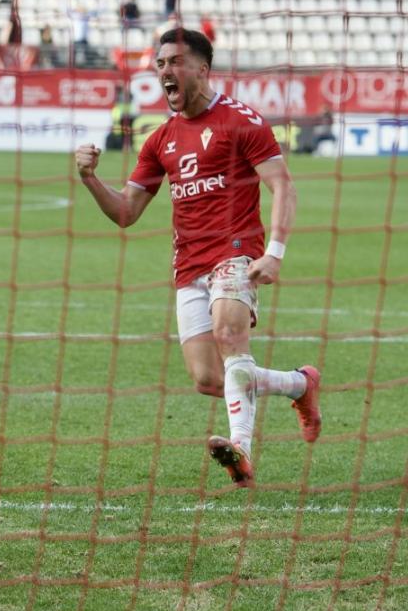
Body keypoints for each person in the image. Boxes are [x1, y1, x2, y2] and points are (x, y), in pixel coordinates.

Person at [73, 29, 321, 488]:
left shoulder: (241, 120)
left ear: (202, 69)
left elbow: (283, 185)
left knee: (231, 336)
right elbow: (126, 212)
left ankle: (241, 449)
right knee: (211, 379)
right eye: (160, 63)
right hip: (188, 265)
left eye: (174, 62)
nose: (164, 70)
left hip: (236, 250)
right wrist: (90, 179)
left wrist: (275, 254)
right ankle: (300, 384)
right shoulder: (160, 139)